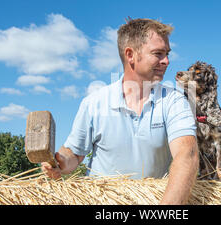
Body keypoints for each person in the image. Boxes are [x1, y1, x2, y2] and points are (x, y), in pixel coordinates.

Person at [42, 18, 199, 205]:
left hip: (156, 203)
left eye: (167, 54)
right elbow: (74, 155)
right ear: (130, 55)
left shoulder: (174, 101)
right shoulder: (94, 102)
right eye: (158, 53)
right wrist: (59, 163)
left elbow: (186, 154)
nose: (166, 61)